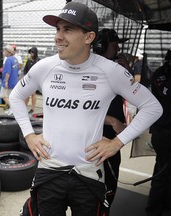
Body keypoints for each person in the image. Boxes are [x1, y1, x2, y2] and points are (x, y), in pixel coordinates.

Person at [9, 2, 162, 216]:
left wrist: (118, 142)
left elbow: (152, 107)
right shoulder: (45, 67)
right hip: (49, 170)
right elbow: (16, 96)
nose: (58, 37)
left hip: (88, 174)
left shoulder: (111, 71)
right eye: (58, 29)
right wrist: (29, 135)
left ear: (89, 37)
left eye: (68, 29)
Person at [93, 28, 130, 215]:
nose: (117, 50)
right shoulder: (93, 71)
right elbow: (83, 106)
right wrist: (112, 121)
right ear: (101, 46)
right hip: (99, 140)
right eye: (115, 46)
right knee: (103, 190)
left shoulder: (114, 69)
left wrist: (126, 72)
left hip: (111, 140)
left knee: (109, 187)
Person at [146, 49, 171, 216]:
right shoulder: (164, 76)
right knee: (163, 175)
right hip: (166, 132)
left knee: (162, 172)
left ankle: (160, 207)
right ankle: (155, 210)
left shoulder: (160, 73)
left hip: (160, 130)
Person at [0, 45, 19, 115]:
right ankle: (11, 109)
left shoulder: (8, 60)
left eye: (5, 51)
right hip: (14, 80)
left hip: (8, 81)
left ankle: (13, 109)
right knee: (10, 96)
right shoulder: (15, 59)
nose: (4, 52)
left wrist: (6, 82)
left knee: (3, 95)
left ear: (9, 52)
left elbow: (8, 72)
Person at [24, 47, 40, 114]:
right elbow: (25, 69)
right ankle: (25, 106)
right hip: (28, 79)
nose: (31, 54)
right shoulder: (29, 60)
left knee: (33, 94)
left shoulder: (38, 60)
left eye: (32, 52)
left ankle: (33, 108)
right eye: (30, 52)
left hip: (35, 79)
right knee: (27, 93)